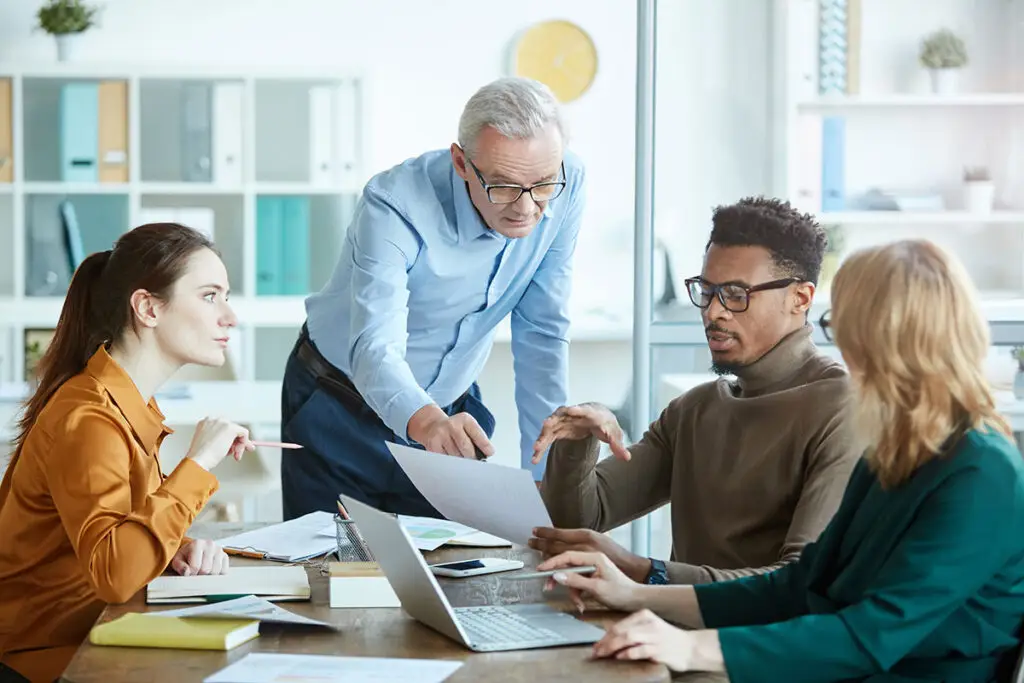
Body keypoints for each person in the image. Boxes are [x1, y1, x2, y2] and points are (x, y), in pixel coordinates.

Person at [539, 239, 1024, 682]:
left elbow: (869, 633)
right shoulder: (899, 447)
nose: (843, 347)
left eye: (844, 326)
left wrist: (695, 648)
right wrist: (636, 595)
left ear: (888, 338)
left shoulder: (981, 470)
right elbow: (799, 584)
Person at [280, 76, 586, 520]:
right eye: (502, 186)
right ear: (461, 162)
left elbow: (542, 330)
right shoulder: (394, 204)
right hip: (337, 402)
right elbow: (374, 346)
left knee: (449, 568)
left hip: (450, 409)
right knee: (332, 572)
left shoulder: (569, 179)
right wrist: (425, 422)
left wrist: (543, 476)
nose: (526, 208)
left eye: (542, 186)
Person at [530, 197, 860, 585]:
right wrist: (579, 443)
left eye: (736, 294)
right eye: (707, 290)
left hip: (748, 644)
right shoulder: (695, 409)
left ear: (800, 298)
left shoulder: (845, 410)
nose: (713, 312)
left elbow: (801, 582)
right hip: (663, 633)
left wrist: (643, 571)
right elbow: (579, 521)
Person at [0, 224, 255, 683]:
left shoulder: (129, 403)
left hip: (100, 636)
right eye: (210, 296)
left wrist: (174, 547)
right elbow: (115, 574)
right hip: (49, 658)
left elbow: (116, 528)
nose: (230, 316)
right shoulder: (90, 418)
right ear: (148, 308)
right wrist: (196, 465)